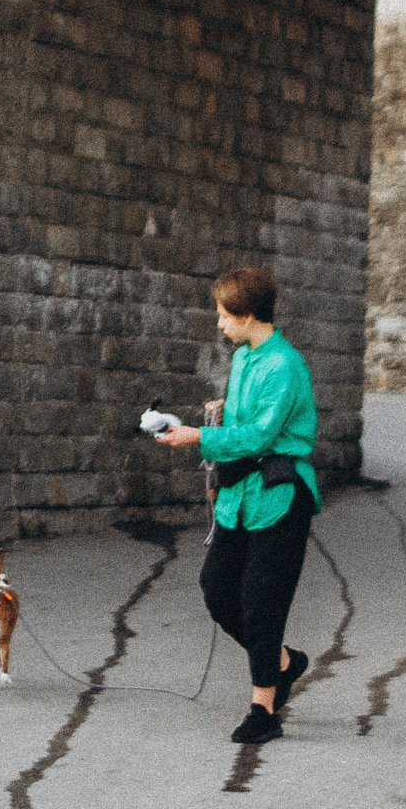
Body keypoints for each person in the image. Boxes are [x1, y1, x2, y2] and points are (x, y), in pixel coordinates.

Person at [156, 267, 319, 744]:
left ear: (247, 315)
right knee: (217, 588)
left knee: (262, 603)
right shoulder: (246, 357)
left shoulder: (284, 365)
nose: (220, 323)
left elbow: (262, 437)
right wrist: (222, 413)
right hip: (238, 496)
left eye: (224, 315)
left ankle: (263, 709)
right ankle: (283, 662)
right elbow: (249, 420)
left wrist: (198, 436)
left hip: (279, 497)